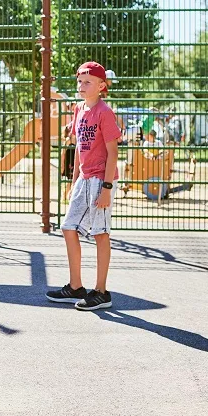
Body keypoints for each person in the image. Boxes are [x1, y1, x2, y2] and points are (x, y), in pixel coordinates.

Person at [46, 61, 122, 311]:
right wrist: (74, 180)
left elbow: (113, 153)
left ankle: (101, 292)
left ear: (101, 86)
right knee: (68, 228)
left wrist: (107, 188)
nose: (81, 85)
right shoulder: (79, 110)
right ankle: (76, 286)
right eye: (79, 80)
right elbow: (79, 148)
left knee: (101, 234)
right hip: (83, 179)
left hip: (101, 178)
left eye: (87, 81)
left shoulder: (104, 112)